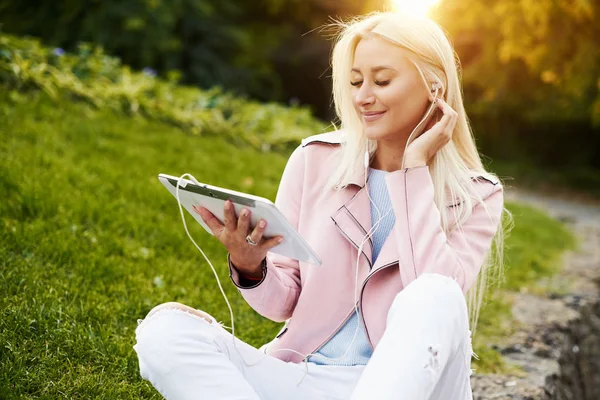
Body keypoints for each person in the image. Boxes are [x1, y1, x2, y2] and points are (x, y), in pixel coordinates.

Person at [133, 10, 507, 400]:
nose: (363, 97)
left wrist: (413, 170)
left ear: (435, 87)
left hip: (409, 386)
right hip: (303, 377)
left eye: (382, 80)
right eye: (356, 81)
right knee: (164, 331)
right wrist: (250, 264)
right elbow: (284, 303)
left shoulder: (477, 194)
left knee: (437, 292)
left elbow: (431, 303)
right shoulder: (315, 160)